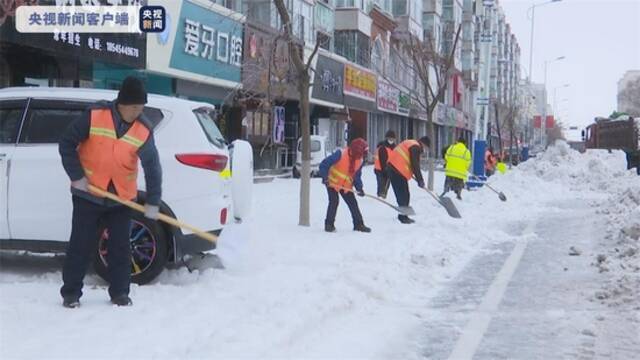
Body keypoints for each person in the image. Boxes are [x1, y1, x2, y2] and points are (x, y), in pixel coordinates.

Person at [58, 76, 162, 308]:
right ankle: (71, 293)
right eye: (135, 107)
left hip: (121, 198)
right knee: (80, 245)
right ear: (122, 104)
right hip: (88, 193)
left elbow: (153, 167)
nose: (139, 111)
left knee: (121, 248)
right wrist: (77, 177)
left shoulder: (143, 130)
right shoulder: (95, 116)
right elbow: (66, 143)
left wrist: (153, 201)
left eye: (142, 107)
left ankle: (120, 293)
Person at [319, 138, 371, 233]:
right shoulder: (340, 154)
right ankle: (329, 225)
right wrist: (325, 177)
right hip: (332, 182)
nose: (364, 155)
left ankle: (358, 224)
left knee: (353, 203)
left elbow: (356, 176)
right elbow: (324, 165)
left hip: (346, 186)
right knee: (334, 201)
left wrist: (359, 188)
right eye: (363, 153)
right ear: (357, 151)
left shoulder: (359, 161)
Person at [387, 136, 431, 224]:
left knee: (402, 195)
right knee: (404, 195)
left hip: (394, 169)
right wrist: (420, 180)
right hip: (397, 170)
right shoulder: (415, 147)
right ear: (423, 144)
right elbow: (415, 164)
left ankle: (403, 215)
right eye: (426, 148)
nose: (425, 150)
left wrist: (417, 178)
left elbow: (409, 161)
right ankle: (403, 217)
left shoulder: (411, 143)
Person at [373, 130, 397, 198]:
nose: (391, 140)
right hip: (379, 169)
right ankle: (380, 195)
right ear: (387, 138)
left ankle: (384, 195)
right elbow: (382, 160)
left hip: (389, 169)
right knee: (381, 182)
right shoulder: (382, 147)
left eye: (392, 139)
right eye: (390, 139)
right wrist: (385, 170)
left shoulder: (395, 147)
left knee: (387, 183)